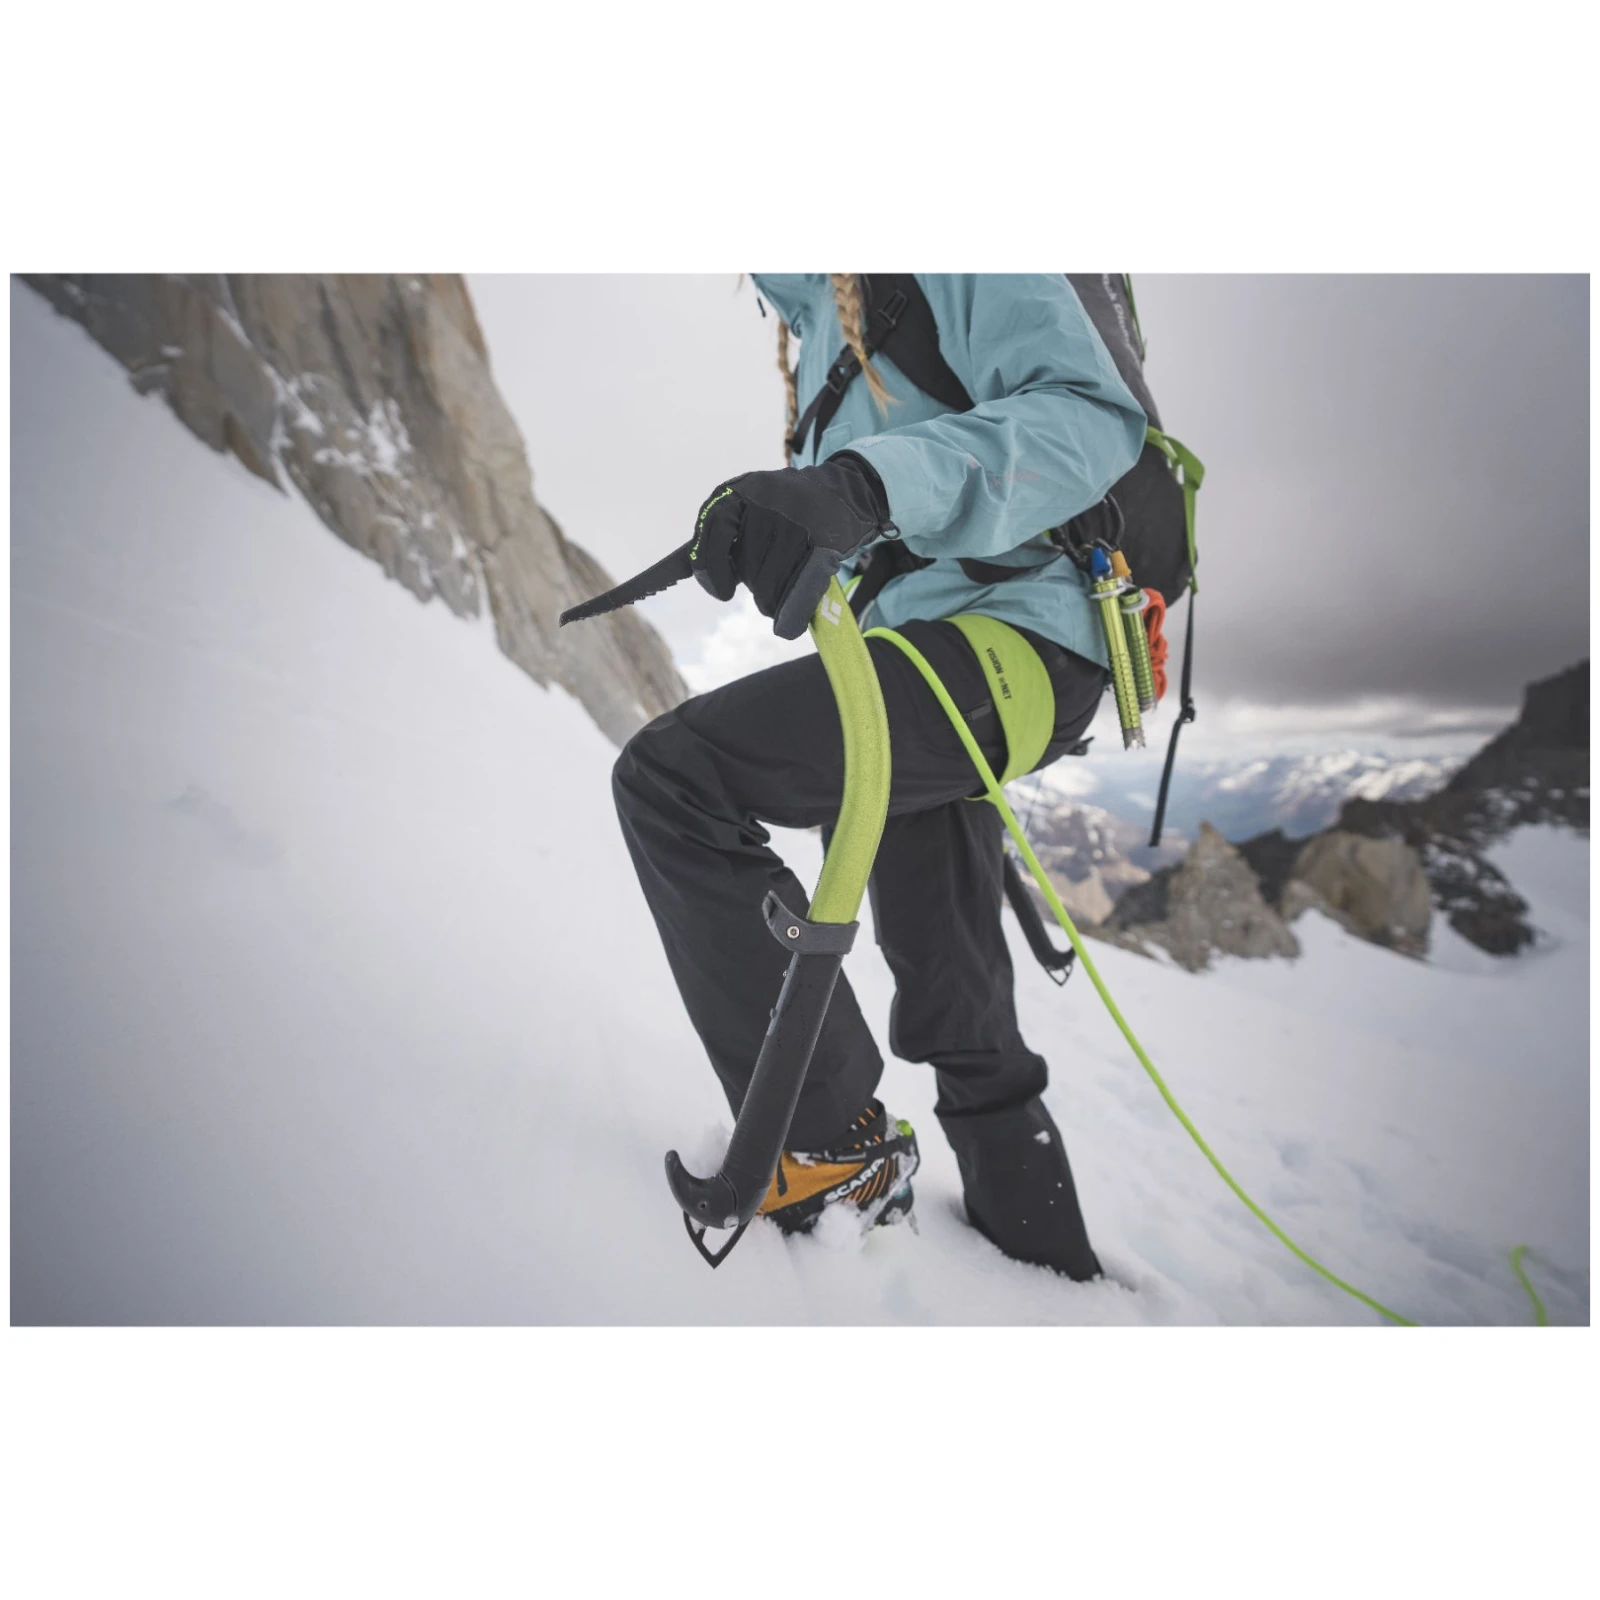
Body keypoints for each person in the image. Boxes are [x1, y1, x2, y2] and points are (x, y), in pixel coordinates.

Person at [612, 275, 1146, 1279]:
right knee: (949, 988)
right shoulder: (816, 315)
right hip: (911, 655)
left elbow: (1089, 417)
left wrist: (862, 486)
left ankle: (827, 1150)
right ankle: (1050, 1274)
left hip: (1016, 641)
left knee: (675, 778)